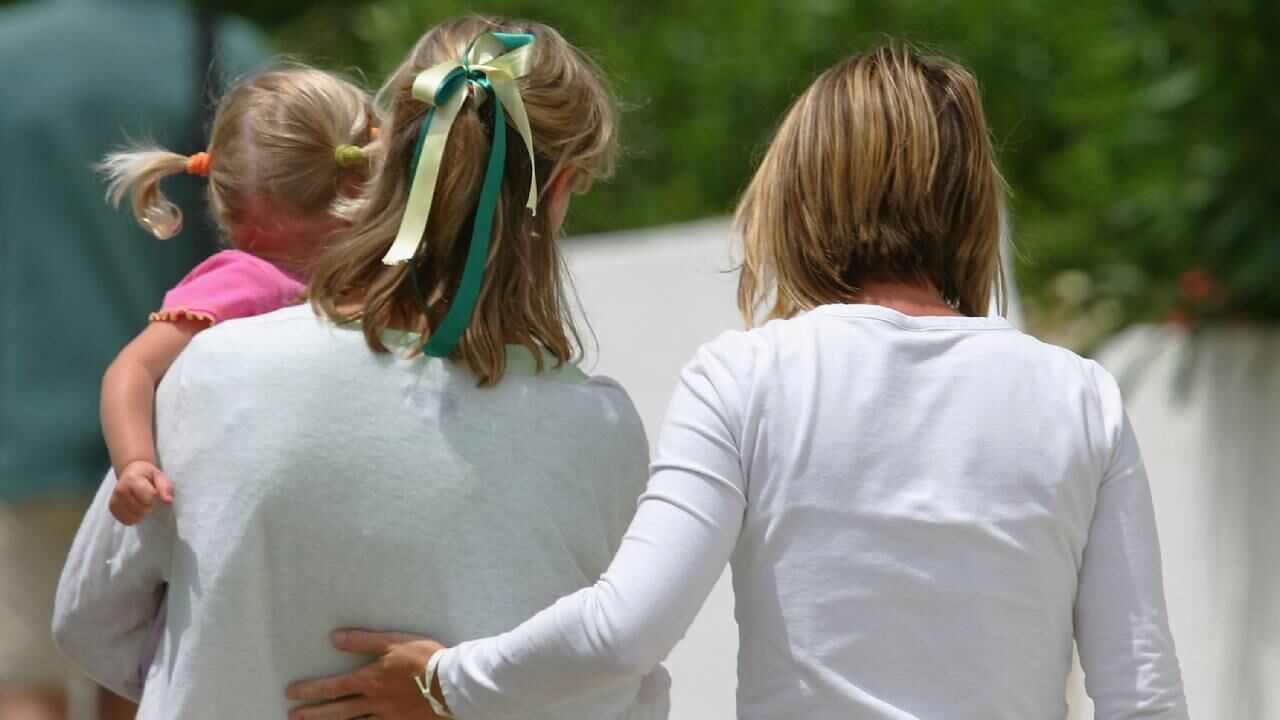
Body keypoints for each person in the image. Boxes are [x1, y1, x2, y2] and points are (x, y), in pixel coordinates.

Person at [290, 44, 1190, 720]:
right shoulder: (1079, 397)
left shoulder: (749, 376)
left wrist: (447, 683)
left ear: (803, 188)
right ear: (971, 201)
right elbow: (1141, 692)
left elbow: (627, 629)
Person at [54, 15, 668, 720]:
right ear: (561, 187)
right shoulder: (598, 427)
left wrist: (231, 663)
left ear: (388, 147)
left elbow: (89, 619)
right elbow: (616, 684)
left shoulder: (217, 369)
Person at [0, 1, 265, 718]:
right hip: (179, 439)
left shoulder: (8, 52)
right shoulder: (218, 46)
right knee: (148, 680)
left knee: (23, 681)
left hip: (18, 432)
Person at [98, 66, 380, 525]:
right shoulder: (247, 279)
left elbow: (130, 370)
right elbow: (133, 368)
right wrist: (135, 461)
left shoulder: (375, 273)